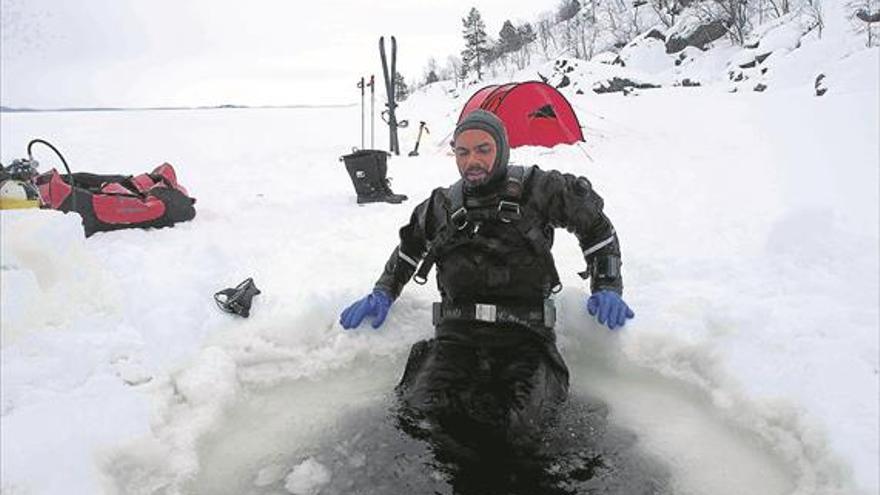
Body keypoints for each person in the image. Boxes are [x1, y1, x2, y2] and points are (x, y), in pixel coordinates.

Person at [339, 109, 634, 455]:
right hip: (456, 339)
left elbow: (597, 229)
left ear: (502, 149)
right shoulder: (442, 205)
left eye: (482, 149)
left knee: (523, 435)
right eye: (462, 152)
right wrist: (383, 292)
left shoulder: (542, 188)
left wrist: (608, 286)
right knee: (418, 421)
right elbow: (409, 249)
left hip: (526, 340)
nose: (472, 161)